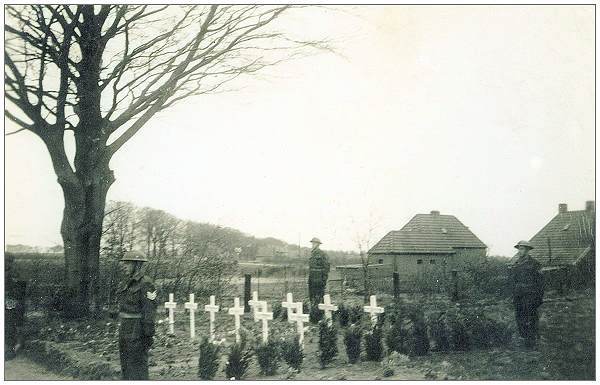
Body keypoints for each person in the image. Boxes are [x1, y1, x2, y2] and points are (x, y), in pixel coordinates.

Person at [116, 250, 157, 380]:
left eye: (128, 264)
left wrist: (148, 334)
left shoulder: (146, 283)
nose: (124, 266)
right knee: (126, 367)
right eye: (124, 263)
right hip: (125, 329)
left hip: (137, 331)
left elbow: (149, 311)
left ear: (137, 265)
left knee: (138, 368)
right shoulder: (126, 282)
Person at [510, 240, 544, 349]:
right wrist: (513, 294)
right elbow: (512, 281)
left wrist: (539, 298)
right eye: (519, 248)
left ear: (528, 250)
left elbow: (541, 283)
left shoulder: (535, 264)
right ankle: (524, 339)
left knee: (531, 318)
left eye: (523, 249)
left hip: (531, 295)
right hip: (519, 295)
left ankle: (533, 342)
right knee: (519, 317)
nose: (521, 251)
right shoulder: (516, 264)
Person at [5, 254, 26, 361]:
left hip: (10, 302)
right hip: (8, 301)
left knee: (10, 325)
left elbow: (20, 289)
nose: (8, 263)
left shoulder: (13, 273)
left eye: (10, 261)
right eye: (6, 261)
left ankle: (9, 349)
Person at [308, 237, 330, 304]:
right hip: (312, 279)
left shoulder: (322, 254)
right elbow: (311, 268)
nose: (312, 245)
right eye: (312, 243)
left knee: (319, 298)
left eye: (314, 243)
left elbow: (326, 267)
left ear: (318, 244)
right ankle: (313, 311)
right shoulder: (312, 254)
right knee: (312, 297)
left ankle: (320, 312)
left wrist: (324, 280)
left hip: (319, 280)